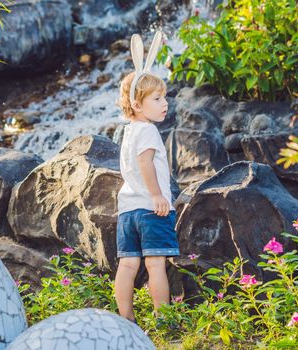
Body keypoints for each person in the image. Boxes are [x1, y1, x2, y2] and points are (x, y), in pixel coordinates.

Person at [114, 31, 179, 324]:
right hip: (152, 209)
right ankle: (163, 320)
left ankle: (126, 320)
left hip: (128, 210)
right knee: (155, 265)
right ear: (138, 105)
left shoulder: (128, 131)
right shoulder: (149, 131)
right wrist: (156, 196)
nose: (164, 103)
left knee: (128, 265)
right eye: (157, 98)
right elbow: (145, 163)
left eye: (164, 96)